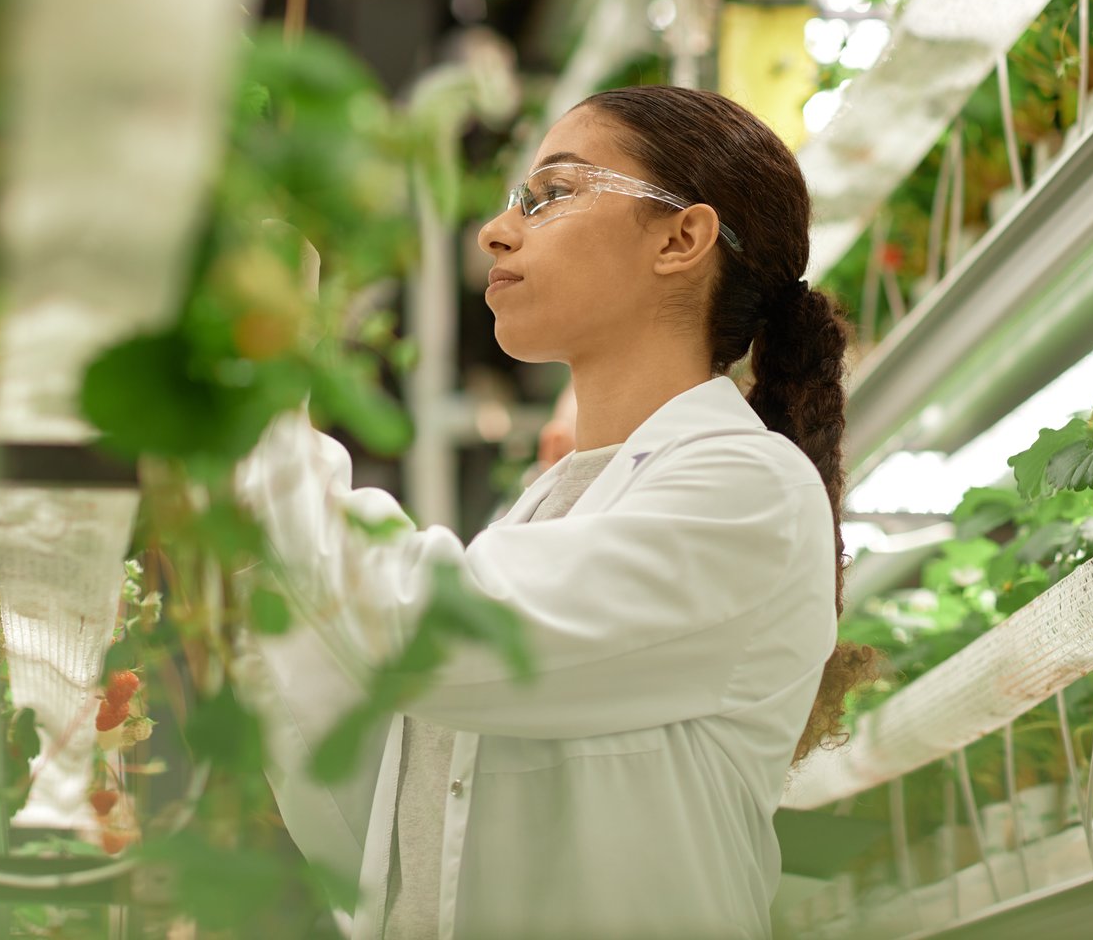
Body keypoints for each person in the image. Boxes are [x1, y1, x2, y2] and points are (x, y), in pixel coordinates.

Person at [234, 86, 874, 939]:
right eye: (511, 203)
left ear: (683, 238)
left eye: (554, 195)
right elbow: (377, 796)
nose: (497, 232)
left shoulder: (749, 490)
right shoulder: (550, 509)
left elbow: (433, 638)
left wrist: (272, 384)